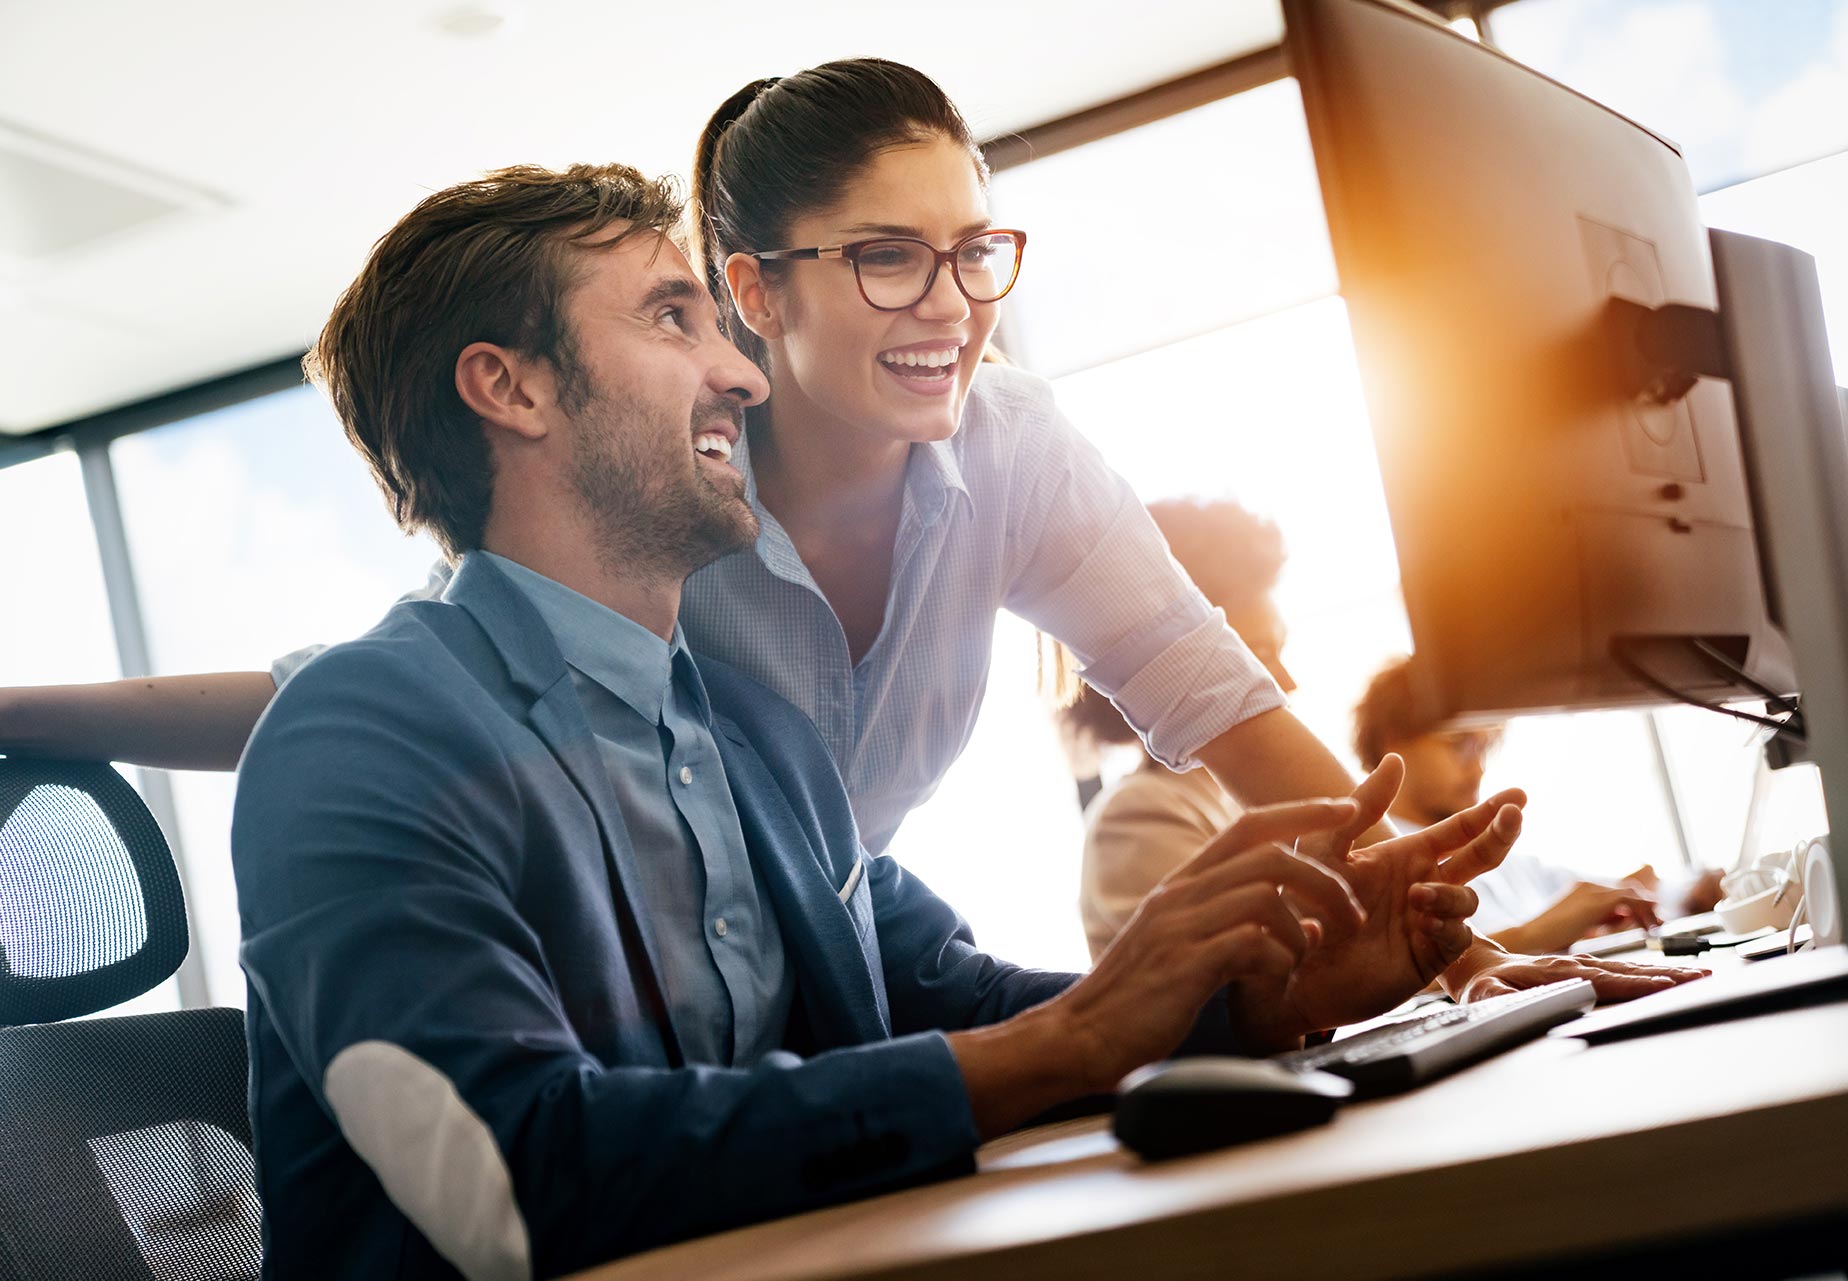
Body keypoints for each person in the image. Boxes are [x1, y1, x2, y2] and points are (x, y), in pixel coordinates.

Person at [0, 57, 1673, 1000]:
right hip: (641, 1015)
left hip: (834, 950)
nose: (951, 306)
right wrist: (22, 711)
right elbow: (361, 696)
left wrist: (1440, 938)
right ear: (751, 285)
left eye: (974, 249)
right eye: (887, 255)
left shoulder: (1007, 448)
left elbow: (1212, 701)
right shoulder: (647, 487)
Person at [228, 161, 1580, 1278]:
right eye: (672, 321)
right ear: (508, 388)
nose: (743, 377)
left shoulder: (749, 735)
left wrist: (1243, 1003)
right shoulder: (364, 734)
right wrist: (1071, 1043)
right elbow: (503, 1180)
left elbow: (953, 1000)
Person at [1353, 656, 1725, 953]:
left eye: (1484, 747)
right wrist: (1543, 933)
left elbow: (1601, 895)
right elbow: (1417, 978)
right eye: (1460, 744)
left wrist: (1685, 892)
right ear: (1394, 741)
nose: (1478, 767)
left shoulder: (1503, 860)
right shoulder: (1372, 861)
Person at [1069, 498, 1291, 960]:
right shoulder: (1137, 815)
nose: (1285, 685)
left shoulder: (1227, 800)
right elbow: (1252, 980)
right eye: (1258, 659)